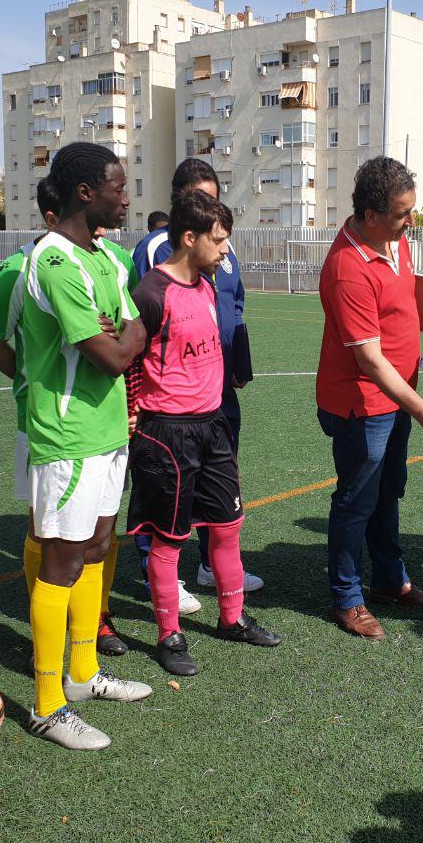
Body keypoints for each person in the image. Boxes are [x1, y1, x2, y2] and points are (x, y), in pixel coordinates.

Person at [22, 143, 152, 750]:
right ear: (84, 192)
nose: (126, 196)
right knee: (63, 561)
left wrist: (130, 331)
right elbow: (113, 354)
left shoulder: (100, 255)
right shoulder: (54, 261)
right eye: (118, 187)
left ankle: (82, 676)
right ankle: (47, 704)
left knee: (97, 547)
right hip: (69, 436)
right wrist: (130, 331)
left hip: (106, 433)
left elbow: (132, 332)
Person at [126, 188, 280, 675]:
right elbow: (127, 361)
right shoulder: (151, 293)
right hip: (167, 434)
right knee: (169, 539)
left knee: (228, 526)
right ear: (189, 238)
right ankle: (169, 634)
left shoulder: (207, 285)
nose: (225, 250)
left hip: (212, 425)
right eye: (218, 241)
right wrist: (134, 418)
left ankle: (232, 618)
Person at [317, 156, 423, 640]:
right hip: (362, 403)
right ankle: (346, 596)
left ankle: (389, 579)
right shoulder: (347, 267)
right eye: (403, 213)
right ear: (372, 214)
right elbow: (370, 362)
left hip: (398, 397)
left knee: (389, 491)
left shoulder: (396, 242)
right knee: (357, 501)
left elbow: (411, 309)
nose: (411, 221)